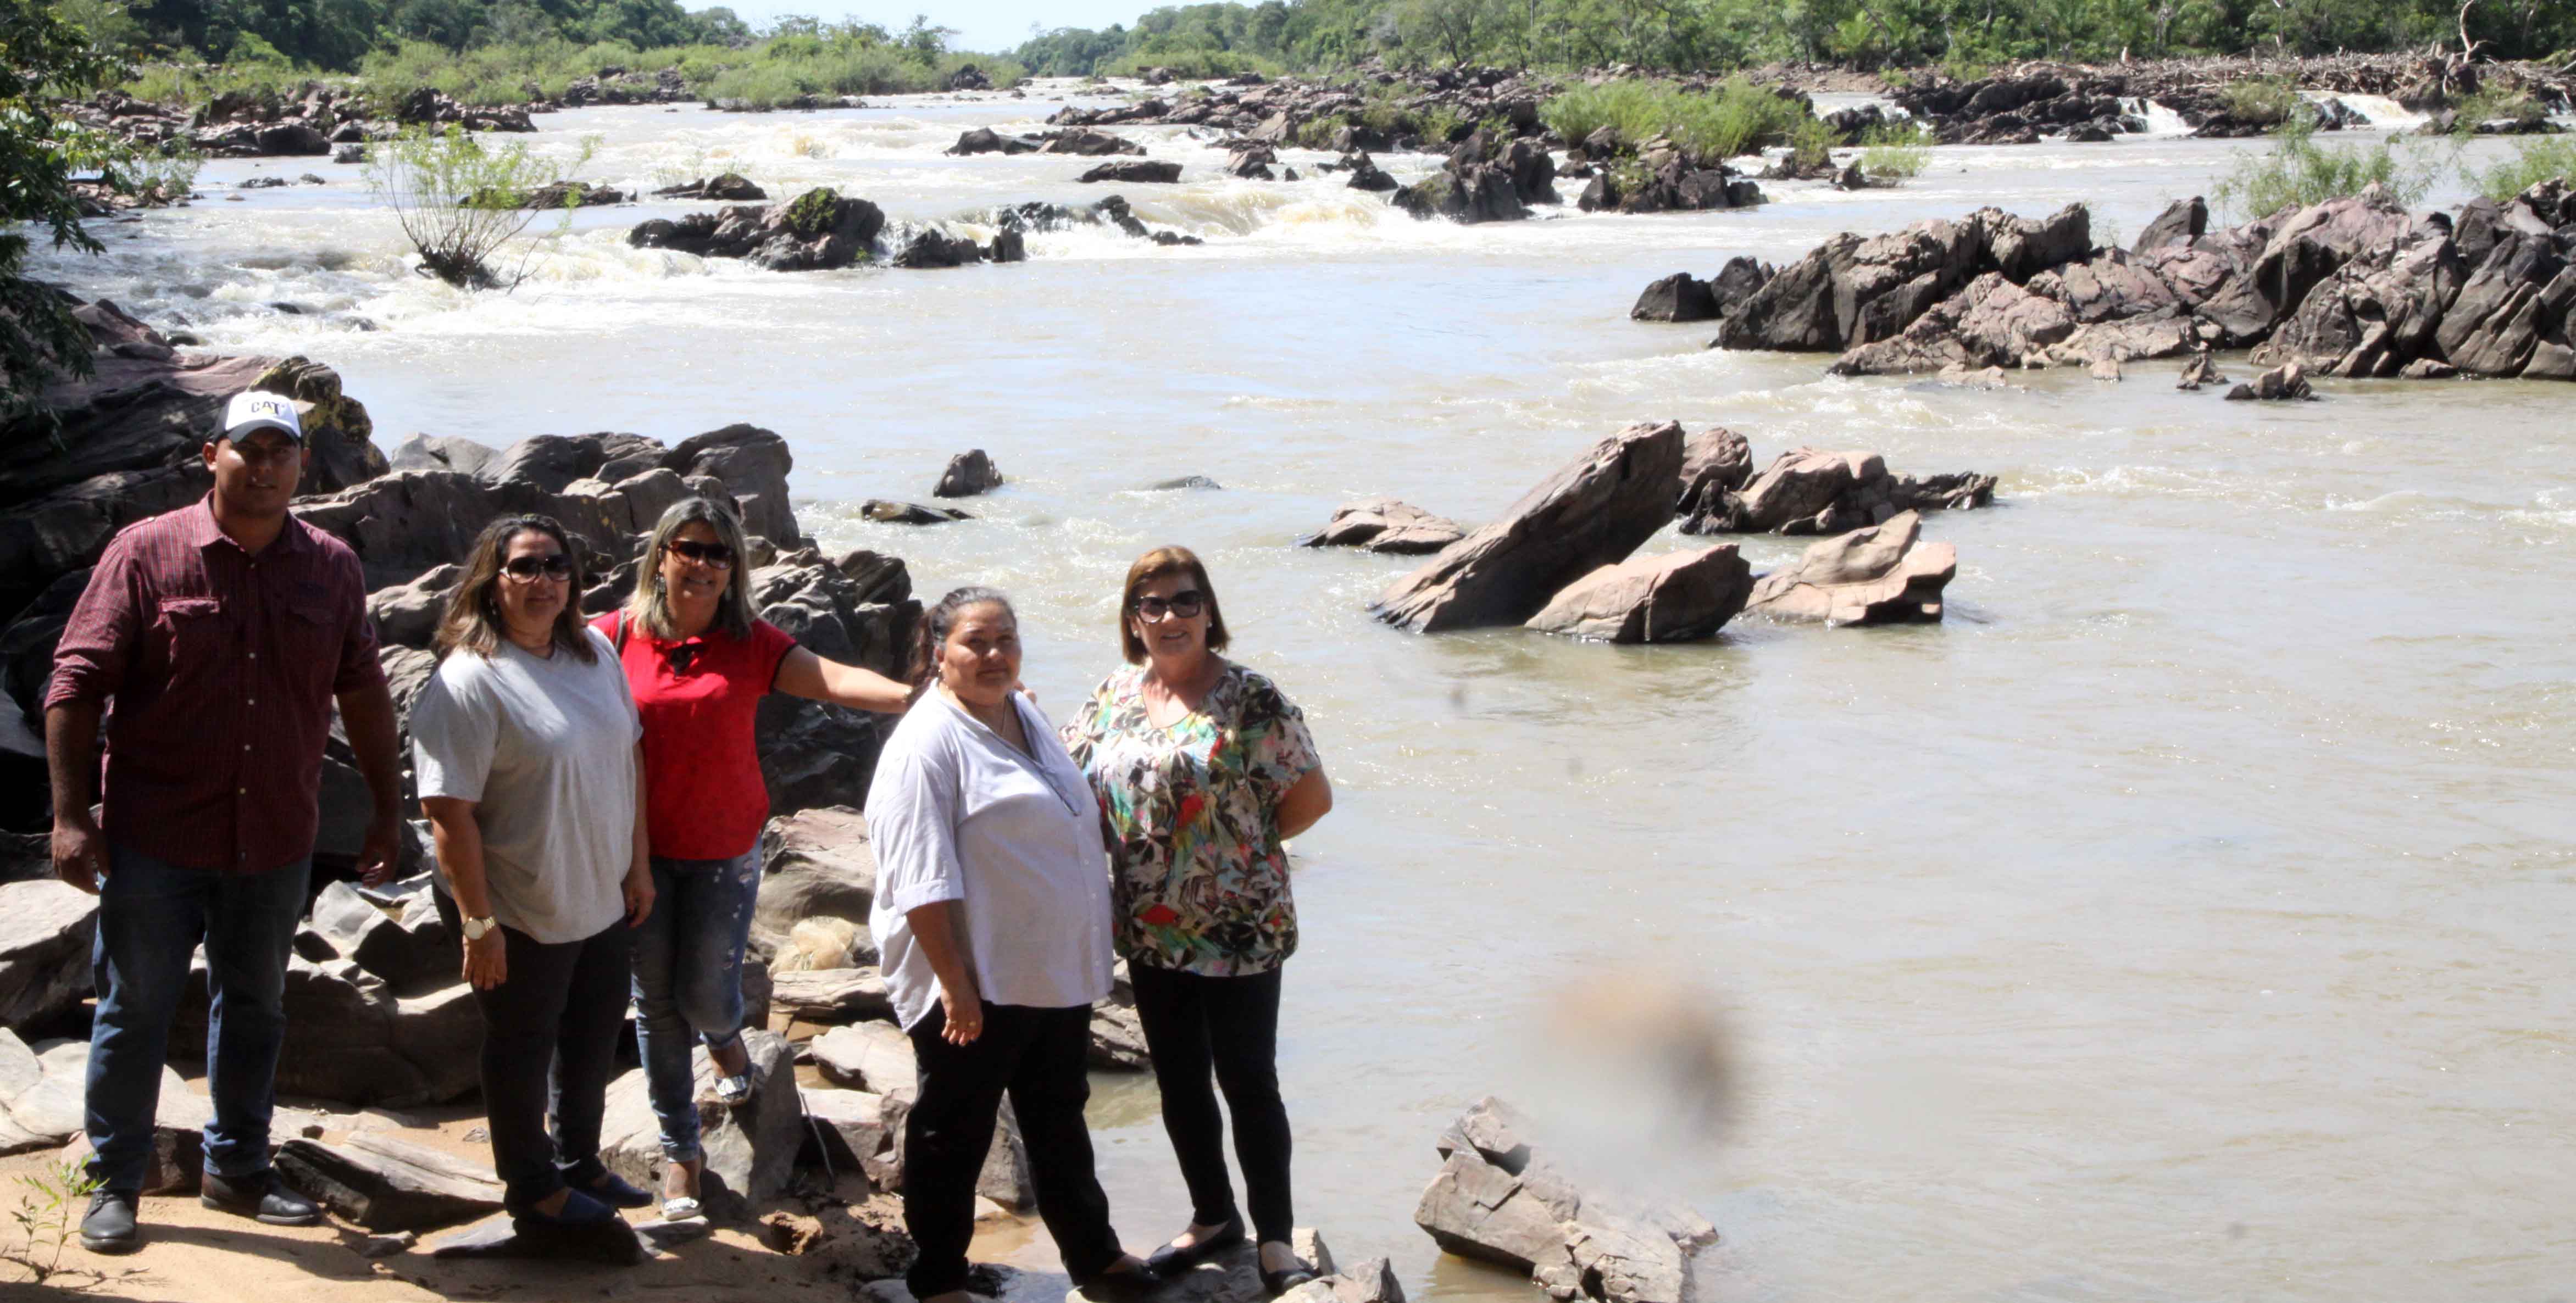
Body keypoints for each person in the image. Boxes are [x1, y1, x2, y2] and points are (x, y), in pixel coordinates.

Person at [46, 391, 403, 1254]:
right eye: (250, 450)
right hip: (153, 835)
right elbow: (75, 684)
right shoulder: (147, 551)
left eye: (283, 452)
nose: (267, 467)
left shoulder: (331, 567)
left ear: (303, 468)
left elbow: (362, 689)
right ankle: (114, 1180)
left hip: (275, 837)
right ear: (213, 456)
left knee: (255, 1007)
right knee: (134, 1009)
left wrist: (391, 811)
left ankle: (238, 1170)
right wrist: (67, 817)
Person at [596, 497, 909, 1219]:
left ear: (734, 568)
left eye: (718, 554)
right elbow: (537, 660)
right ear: (662, 554)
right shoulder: (613, 636)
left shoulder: (752, 643)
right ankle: (682, 1154)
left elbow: (833, 680)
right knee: (656, 1008)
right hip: (638, 854)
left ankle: (730, 1040)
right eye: (690, 548)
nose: (702, 564)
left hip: (725, 851)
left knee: (705, 997)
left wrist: (923, 697)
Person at [868, 587, 1162, 1303]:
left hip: (1045, 972)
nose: (995, 655)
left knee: (1059, 1120)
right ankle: (937, 1279)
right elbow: (921, 878)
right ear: (940, 652)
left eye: (1006, 639)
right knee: (954, 1133)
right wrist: (955, 984)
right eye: (977, 642)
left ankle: (1094, 1258)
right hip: (978, 980)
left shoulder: (1020, 710)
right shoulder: (926, 744)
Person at [1061, 547, 1333, 1296]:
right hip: (1151, 925)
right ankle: (1213, 1217)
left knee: (1248, 1079)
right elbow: (1063, 777)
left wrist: (1232, 853)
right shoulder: (1114, 695)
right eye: (1154, 604)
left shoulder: (1250, 698)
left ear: (1209, 611)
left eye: (1185, 602)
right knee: (1180, 1082)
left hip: (1241, 921)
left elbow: (1310, 800)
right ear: (1133, 619)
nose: (1171, 617)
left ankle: (1275, 1239)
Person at [409, 515, 655, 1250]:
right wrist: (478, 923)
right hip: (517, 905)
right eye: (524, 567)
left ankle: (580, 1162)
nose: (542, 580)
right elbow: (448, 814)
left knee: (590, 1041)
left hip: (600, 894)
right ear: (493, 580)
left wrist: (637, 865)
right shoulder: (470, 680)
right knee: (520, 1046)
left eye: (556, 566)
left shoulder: (594, 653)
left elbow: (630, 760)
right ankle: (533, 1188)